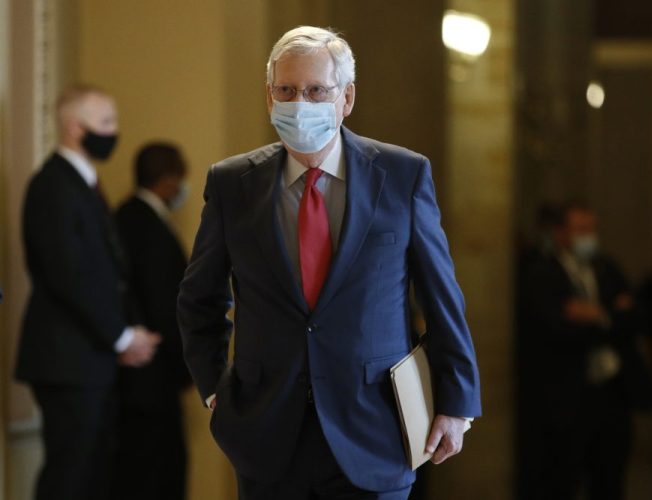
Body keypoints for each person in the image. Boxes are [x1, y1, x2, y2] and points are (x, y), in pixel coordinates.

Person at [177, 26, 481, 500]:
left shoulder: (402, 175)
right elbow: (200, 299)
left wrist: (456, 404)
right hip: (266, 430)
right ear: (269, 96)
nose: (300, 102)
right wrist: (217, 389)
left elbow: (442, 298)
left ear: (347, 98)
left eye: (317, 90)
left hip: (376, 429)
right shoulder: (234, 183)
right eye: (287, 90)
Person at [15, 84, 161, 500]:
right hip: (67, 361)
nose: (115, 131)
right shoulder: (53, 186)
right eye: (106, 123)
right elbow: (68, 276)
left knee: (94, 475)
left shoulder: (82, 183)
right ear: (76, 128)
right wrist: (122, 336)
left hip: (88, 359)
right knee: (71, 477)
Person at [519, 201, 648, 500]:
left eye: (591, 229)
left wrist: (597, 316)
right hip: (566, 401)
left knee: (610, 483)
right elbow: (557, 328)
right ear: (562, 233)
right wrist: (612, 316)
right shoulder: (543, 273)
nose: (588, 236)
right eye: (580, 229)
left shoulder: (607, 268)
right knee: (561, 483)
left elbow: (636, 318)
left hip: (612, 397)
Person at [112, 142, 192, 500]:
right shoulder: (152, 230)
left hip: (129, 380)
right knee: (157, 476)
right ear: (169, 180)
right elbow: (166, 305)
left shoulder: (121, 216)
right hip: (152, 378)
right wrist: (187, 368)